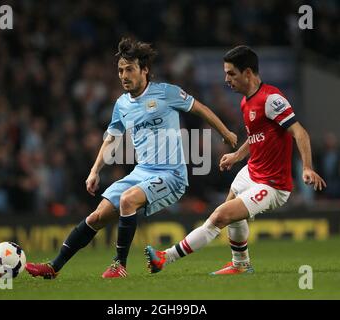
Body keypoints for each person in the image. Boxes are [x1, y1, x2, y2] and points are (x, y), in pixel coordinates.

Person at [25, 38, 237, 279]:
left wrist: (226, 132)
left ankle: (119, 265)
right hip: (141, 173)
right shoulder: (122, 104)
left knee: (128, 200)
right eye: (120, 70)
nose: (123, 75)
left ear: (144, 70)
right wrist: (94, 170)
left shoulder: (166, 92)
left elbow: (200, 108)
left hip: (171, 175)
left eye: (129, 69)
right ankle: (54, 267)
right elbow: (112, 139)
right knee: (96, 217)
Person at [145, 45, 326, 275]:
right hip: (251, 172)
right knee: (229, 213)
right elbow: (256, 138)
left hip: (271, 184)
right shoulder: (245, 102)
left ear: (248, 73)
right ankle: (240, 264)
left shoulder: (271, 99)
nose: (226, 79)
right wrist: (236, 156)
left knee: (220, 215)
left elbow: (300, 132)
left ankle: (165, 257)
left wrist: (307, 167)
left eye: (231, 73)